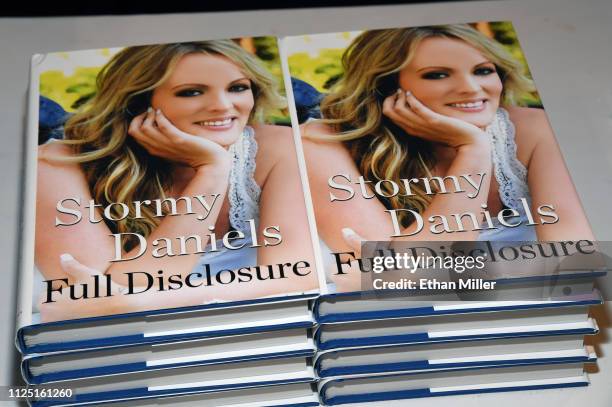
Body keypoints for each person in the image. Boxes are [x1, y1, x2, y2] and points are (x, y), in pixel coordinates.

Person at [36, 40, 318, 322]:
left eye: (237, 87)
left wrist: (137, 304)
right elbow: (98, 305)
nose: (222, 106)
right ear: (138, 103)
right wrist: (212, 171)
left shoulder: (279, 147)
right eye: (191, 92)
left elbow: (299, 277)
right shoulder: (56, 164)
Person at [299, 25, 594, 288]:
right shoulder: (322, 141)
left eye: (483, 70)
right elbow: (404, 280)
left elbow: (576, 263)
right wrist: (474, 150)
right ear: (387, 87)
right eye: (437, 74)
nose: (471, 88)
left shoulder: (533, 129)